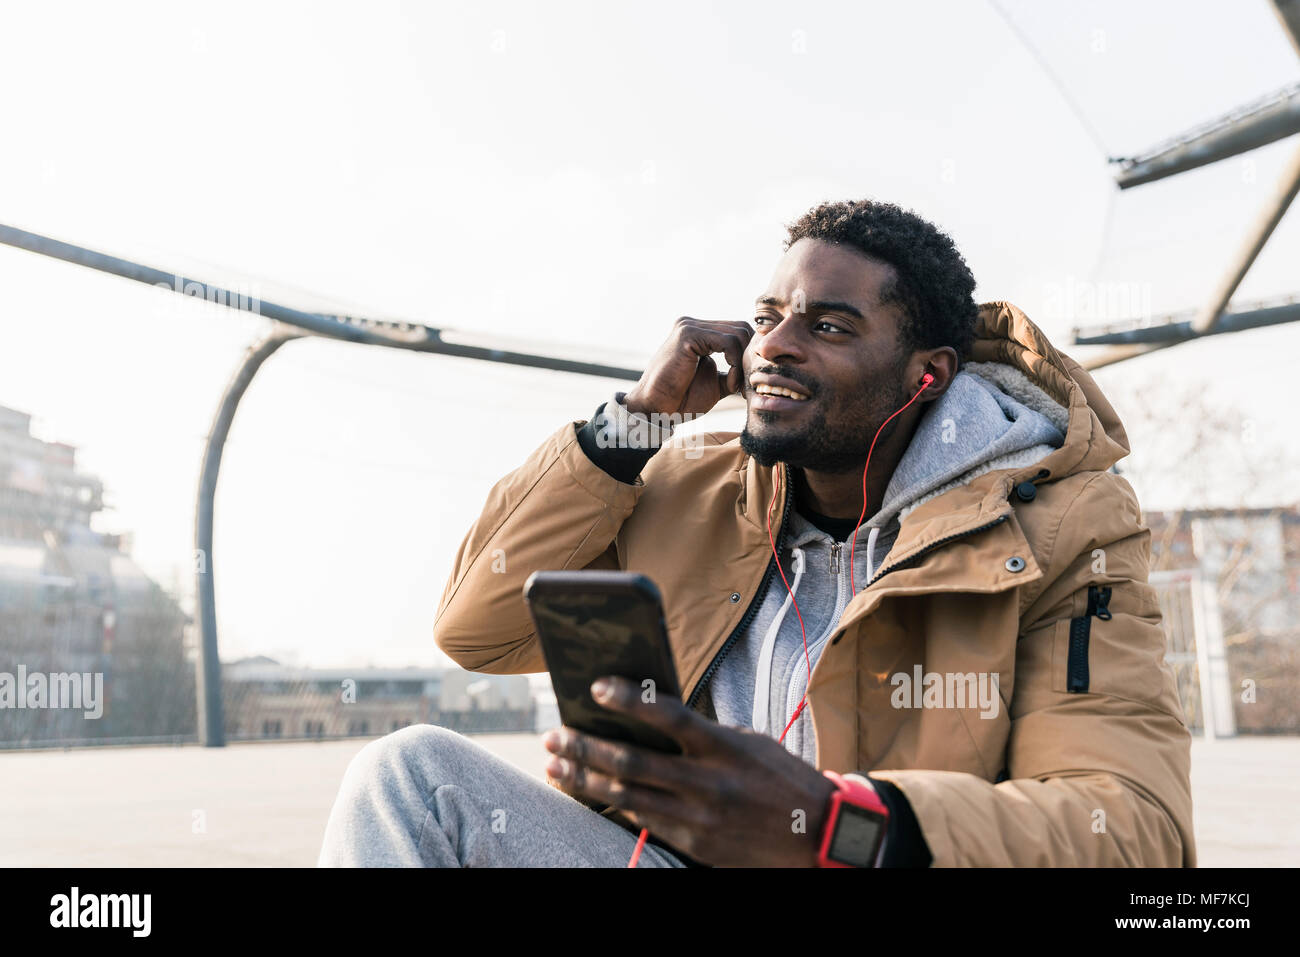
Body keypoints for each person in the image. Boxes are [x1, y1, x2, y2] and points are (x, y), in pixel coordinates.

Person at [318, 198, 1195, 867]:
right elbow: (474, 626)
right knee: (408, 776)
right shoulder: (680, 479)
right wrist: (632, 424)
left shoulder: (1061, 522)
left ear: (926, 375)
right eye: (769, 315)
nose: (776, 344)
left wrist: (835, 822)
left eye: (829, 325)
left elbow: (1131, 828)